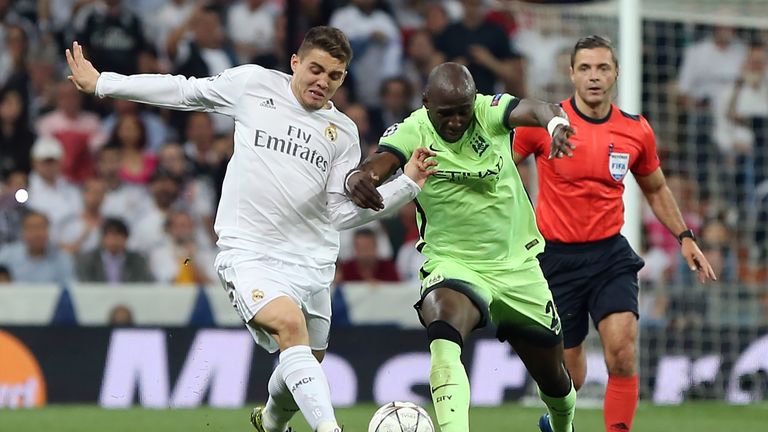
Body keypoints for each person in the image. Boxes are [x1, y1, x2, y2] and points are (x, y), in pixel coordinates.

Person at [66, 26, 436, 432]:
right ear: (295, 62)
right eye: (315, 69)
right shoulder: (253, 84)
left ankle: (271, 422)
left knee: (305, 368)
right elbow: (184, 91)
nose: (322, 82)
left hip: (312, 263)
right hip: (251, 253)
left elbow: (338, 214)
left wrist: (408, 183)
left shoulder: (343, 132)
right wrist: (103, 83)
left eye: (334, 76)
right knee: (289, 328)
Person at [346, 62, 577, 432]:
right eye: (446, 114)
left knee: (555, 381)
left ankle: (561, 425)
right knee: (443, 323)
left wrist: (555, 124)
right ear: (425, 103)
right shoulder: (414, 130)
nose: (456, 121)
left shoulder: (488, 112)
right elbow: (380, 162)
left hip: (517, 265)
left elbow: (536, 108)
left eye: (462, 111)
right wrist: (360, 176)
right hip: (453, 263)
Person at [512, 35, 718, 432]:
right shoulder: (545, 124)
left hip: (610, 256)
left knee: (622, 352)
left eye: (603, 68)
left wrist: (685, 236)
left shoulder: (635, 130)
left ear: (616, 73)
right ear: (571, 74)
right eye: (585, 68)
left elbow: (655, 187)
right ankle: (559, 422)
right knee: (568, 379)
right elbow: (503, 168)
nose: (594, 76)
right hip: (555, 258)